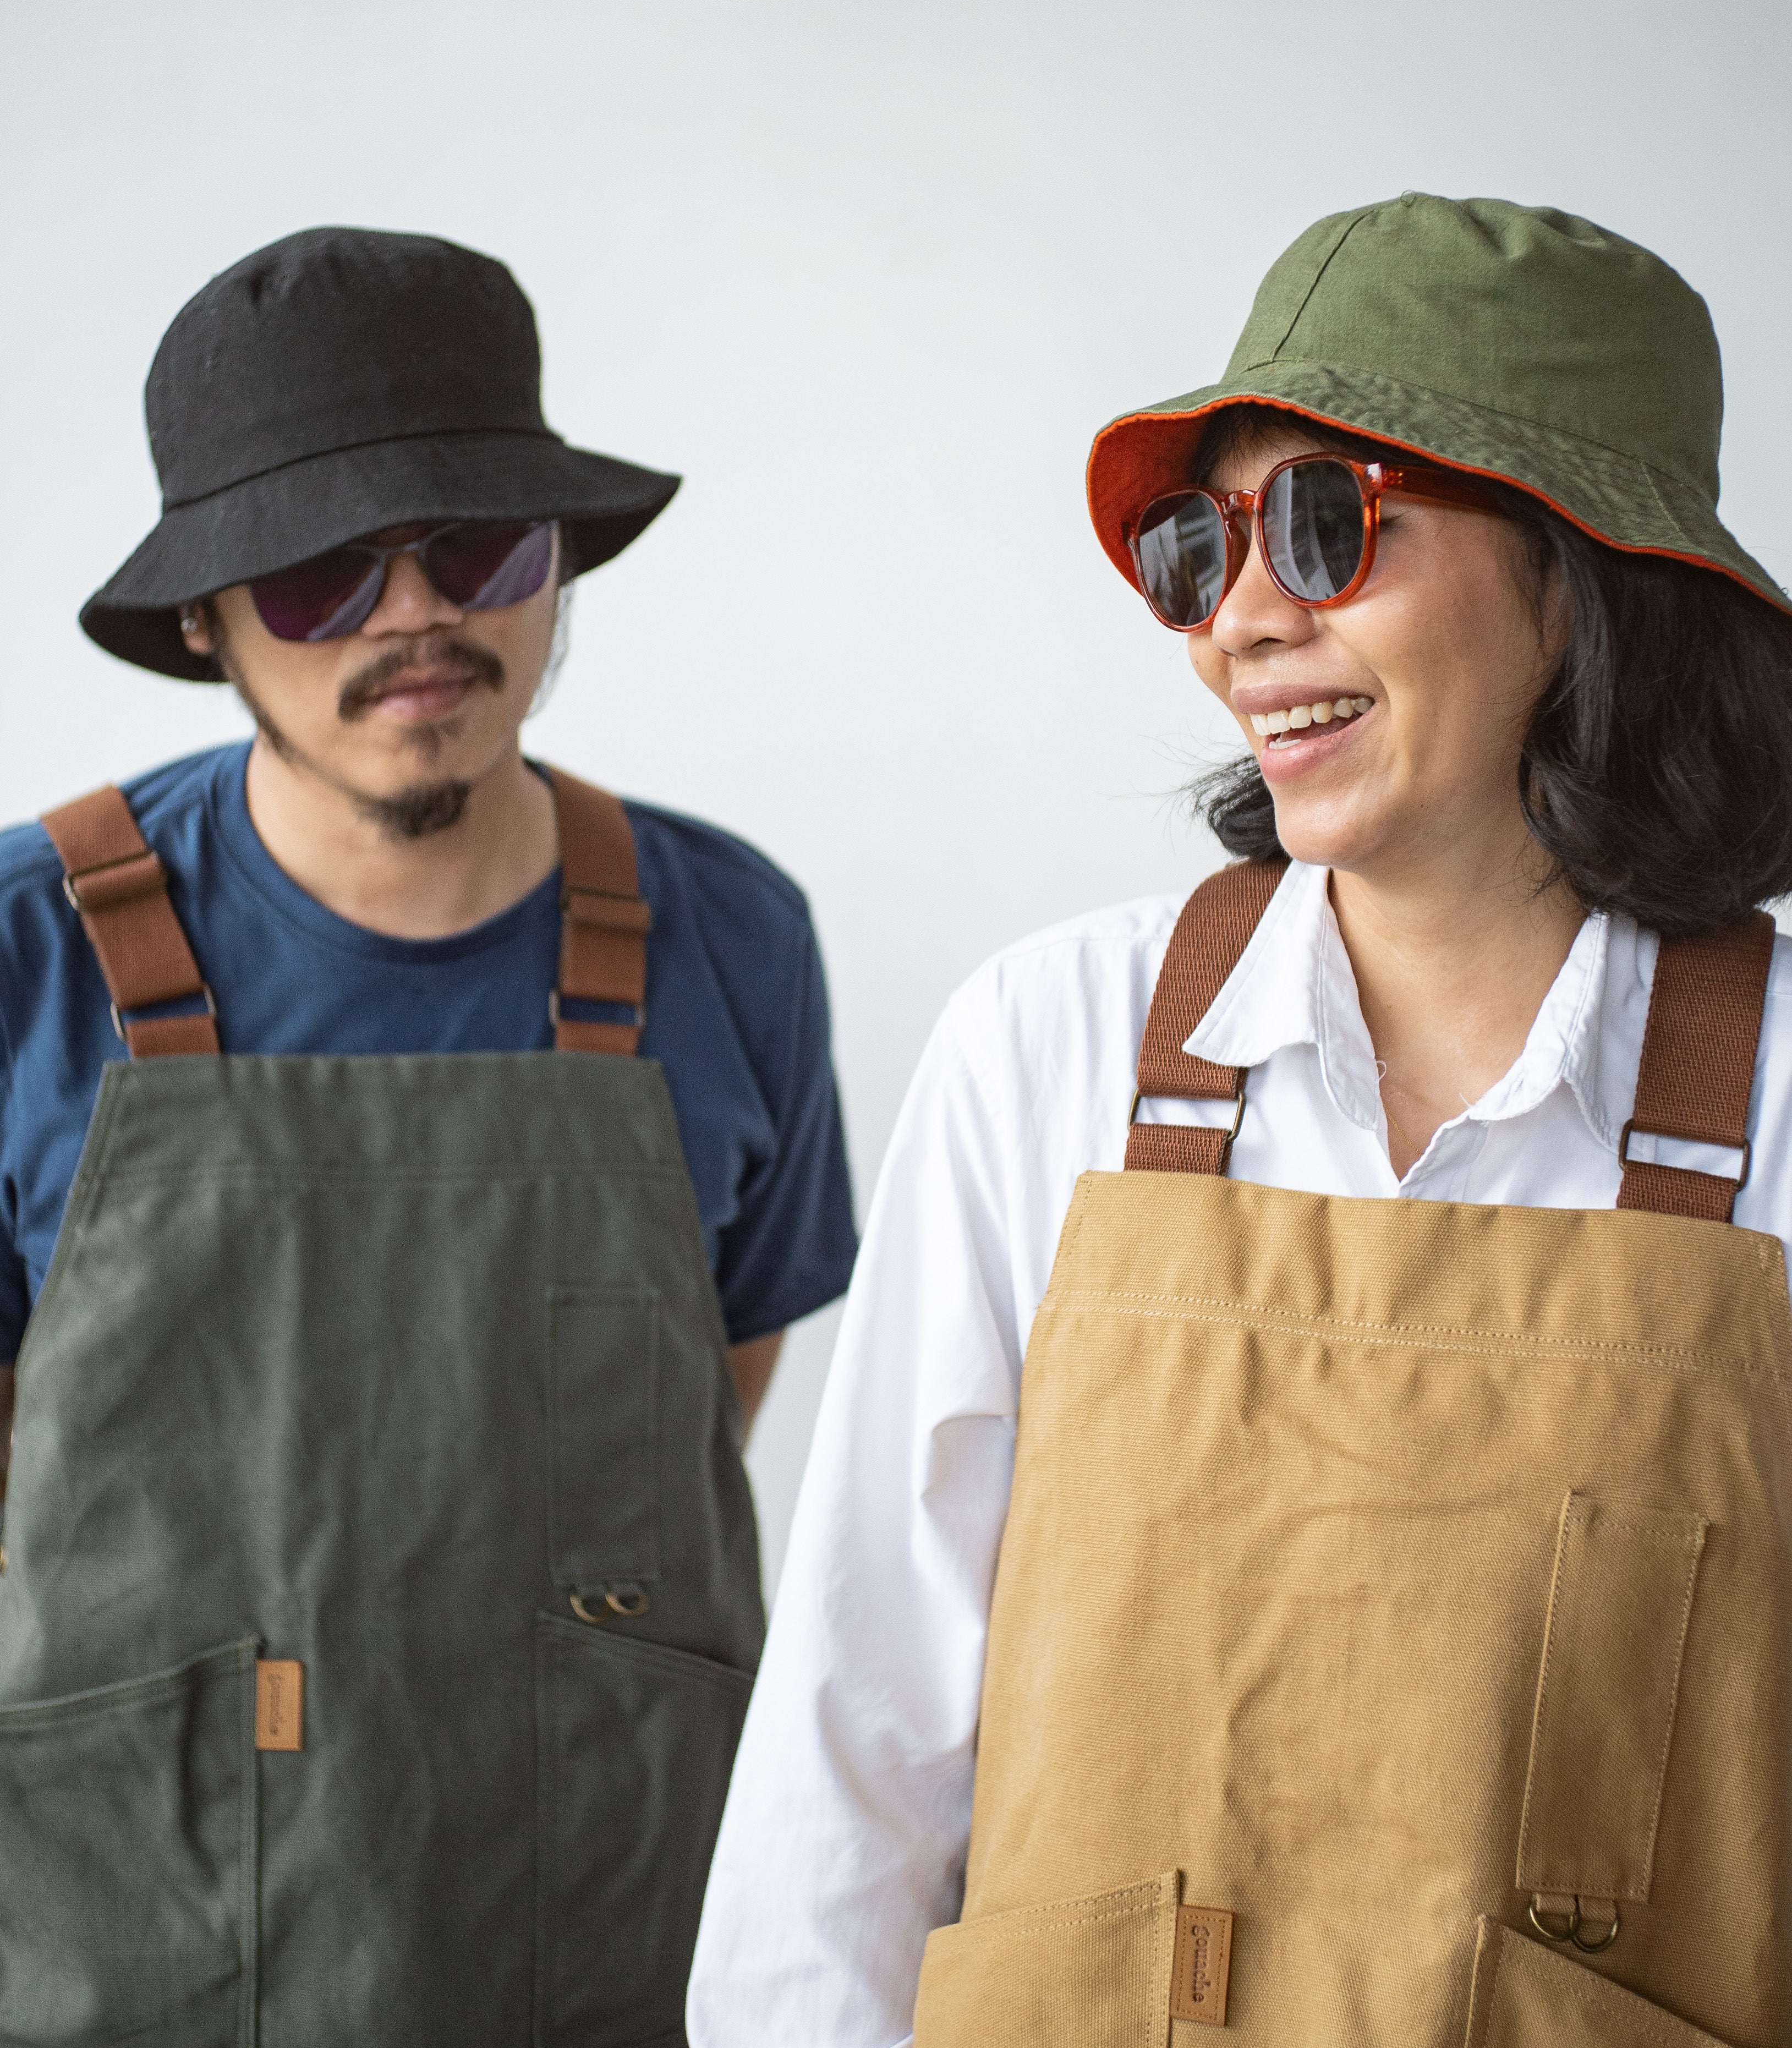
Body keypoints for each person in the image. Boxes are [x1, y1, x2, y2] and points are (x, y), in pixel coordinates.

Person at [689, 194, 1792, 2046]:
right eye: (1204, 551)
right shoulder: (1047, 1046)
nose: (1241, 621)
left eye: (1324, 523)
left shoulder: (1774, 1098)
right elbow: (855, 1746)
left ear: (1585, 569)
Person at [0, 226, 856, 2046]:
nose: (413, 617)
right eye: (319, 575)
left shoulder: (732, 937)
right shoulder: (27, 955)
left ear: (552, 570)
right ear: (203, 619)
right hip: (137, 1936)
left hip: (608, 1930)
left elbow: (704, 1408)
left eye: (473, 546)